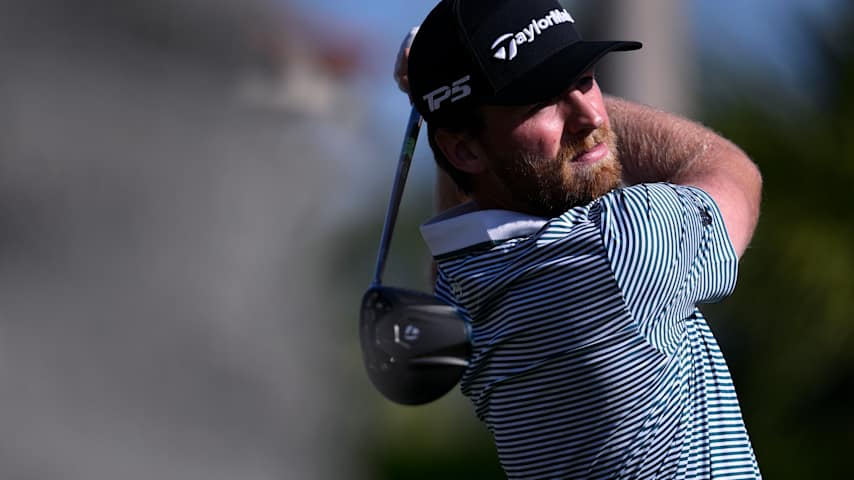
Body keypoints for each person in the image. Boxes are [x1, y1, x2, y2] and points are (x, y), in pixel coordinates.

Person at [396, 0, 762, 478]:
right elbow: (730, 172)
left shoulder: (459, 291)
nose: (591, 114)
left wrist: (437, 99)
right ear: (462, 147)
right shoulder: (621, 244)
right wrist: (435, 98)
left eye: (586, 78)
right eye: (543, 99)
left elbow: (468, 193)